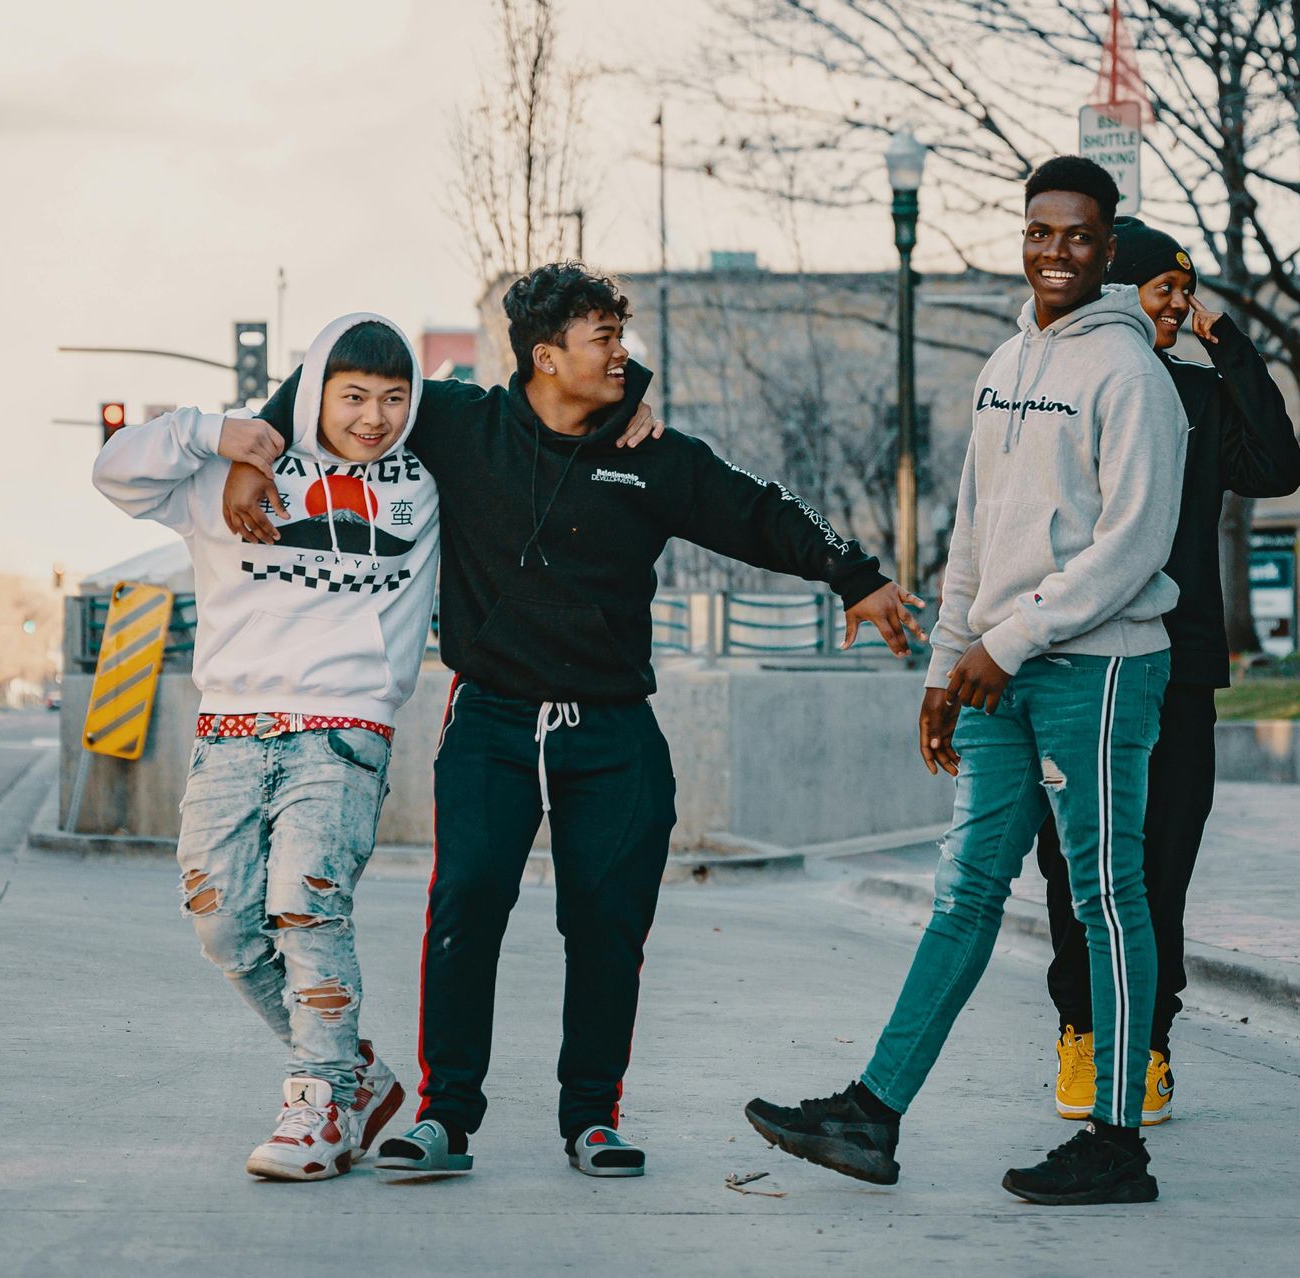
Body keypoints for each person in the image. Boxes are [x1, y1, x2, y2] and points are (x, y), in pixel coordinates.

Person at [226, 262, 924, 1179]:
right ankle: (445, 1118)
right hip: (492, 719)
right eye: (604, 340)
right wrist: (252, 454)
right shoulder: (459, 423)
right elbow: (319, 381)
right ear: (546, 356)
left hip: (612, 730)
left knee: (606, 926)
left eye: (621, 340)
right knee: (465, 908)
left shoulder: (654, 454)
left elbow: (757, 509)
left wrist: (858, 574)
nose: (623, 356)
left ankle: (591, 1117)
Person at [743, 157, 1188, 1206]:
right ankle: (872, 1114)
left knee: (1105, 899)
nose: (1054, 252)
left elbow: (1132, 548)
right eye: (1039, 232)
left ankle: (1116, 1141)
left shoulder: (1133, 377)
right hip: (997, 669)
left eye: (1077, 235)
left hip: (1099, 668)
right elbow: (975, 538)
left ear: (1107, 245)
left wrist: (1011, 642)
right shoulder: (1002, 364)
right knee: (965, 889)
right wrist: (948, 667)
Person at [92, 314, 434, 1181]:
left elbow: (529, 427)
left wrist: (625, 412)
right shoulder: (228, 474)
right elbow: (115, 469)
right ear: (315, 390)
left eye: (395, 398)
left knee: (306, 906)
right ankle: (357, 1075)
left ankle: (319, 1102)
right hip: (230, 731)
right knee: (222, 923)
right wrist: (221, 436)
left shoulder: (428, 482)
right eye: (353, 396)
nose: (374, 418)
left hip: (344, 729)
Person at [1036, 216, 1300, 1127]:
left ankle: (1147, 1047)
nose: (1181, 307)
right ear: (1118, 291)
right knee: (1073, 863)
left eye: (1189, 294)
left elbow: (1279, 465)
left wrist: (1223, 340)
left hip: (1179, 669)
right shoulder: (1059, 384)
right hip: (1071, 661)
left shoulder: (1197, 392)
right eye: (1166, 290)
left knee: (1163, 865)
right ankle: (1081, 1033)